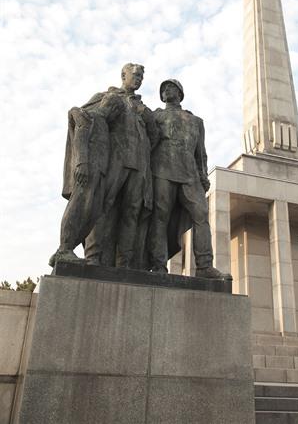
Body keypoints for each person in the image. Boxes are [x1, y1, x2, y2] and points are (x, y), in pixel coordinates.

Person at [147, 79, 231, 279]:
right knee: (160, 216)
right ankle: (159, 265)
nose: (167, 90)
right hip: (162, 171)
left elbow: (200, 153)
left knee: (201, 215)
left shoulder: (195, 121)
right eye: (164, 89)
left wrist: (202, 175)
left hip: (190, 174)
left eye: (171, 87)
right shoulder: (155, 116)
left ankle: (204, 266)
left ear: (180, 93)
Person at [83, 63, 156, 268]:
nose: (139, 79)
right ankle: (93, 257)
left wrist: (147, 119)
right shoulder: (110, 97)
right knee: (102, 206)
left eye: (142, 76)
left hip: (139, 165)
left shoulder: (143, 108)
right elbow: (92, 119)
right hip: (115, 160)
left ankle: (125, 263)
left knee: (132, 213)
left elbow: (155, 138)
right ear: (123, 75)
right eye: (136, 75)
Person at [49, 93, 123, 266]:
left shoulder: (104, 124)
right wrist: (82, 163)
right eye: (116, 113)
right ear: (112, 107)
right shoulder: (92, 116)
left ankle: (66, 250)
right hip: (88, 170)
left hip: (99, 174)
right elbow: (80, 139)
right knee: (78, 207)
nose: (115, 117)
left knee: (93, 212)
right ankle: (64, 248)